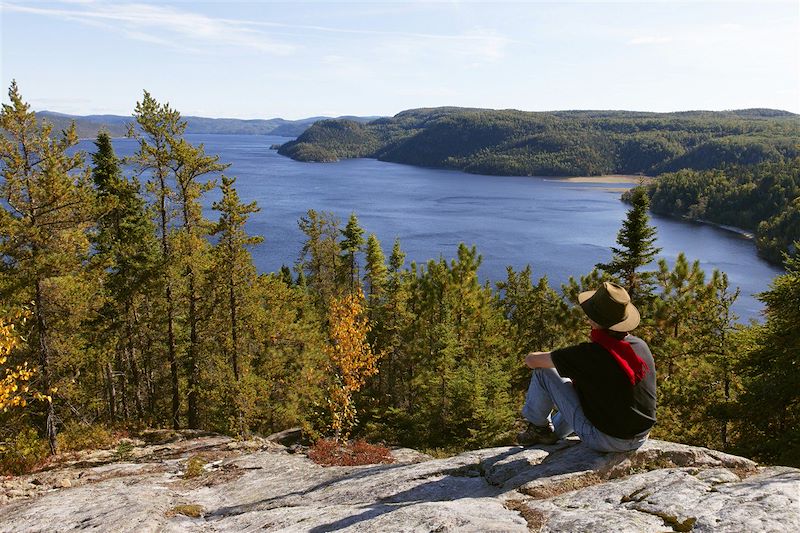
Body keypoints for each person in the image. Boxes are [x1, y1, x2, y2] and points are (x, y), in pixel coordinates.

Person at [517, 282, 656, 452]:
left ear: (594, 320)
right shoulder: (639, 346)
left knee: (543, 372)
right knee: (583, 386)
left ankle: (539, 429)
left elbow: (531, 360)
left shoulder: (590, 354)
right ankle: (549, 434)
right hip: (641, 436)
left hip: (607, 440)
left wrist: (561, 357)